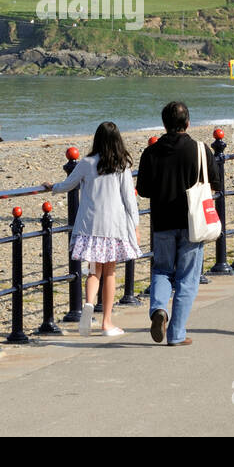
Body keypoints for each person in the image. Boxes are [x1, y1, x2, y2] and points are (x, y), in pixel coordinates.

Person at [44, 122, 140, 337]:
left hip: (91, 226)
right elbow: (129, 199)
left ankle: (88, 304)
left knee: (94, 271)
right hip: (114, 226)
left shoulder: (87, 163)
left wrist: (53, 187)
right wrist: (135, 225)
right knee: (110, 273)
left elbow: (69, 184)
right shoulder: (122, 165)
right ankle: (107, 322)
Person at [135, 101, 217, 347]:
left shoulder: (151, 152)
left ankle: (159, 309)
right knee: (187, 278)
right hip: (193, 222)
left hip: (162, 221)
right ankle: (177, 334)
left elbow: (144, 189)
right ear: (188, 123)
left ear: (164, 124)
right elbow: (216, 184)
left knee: (161, 269)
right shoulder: (201, 150)